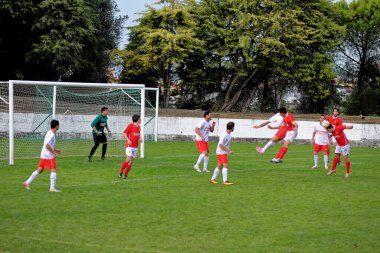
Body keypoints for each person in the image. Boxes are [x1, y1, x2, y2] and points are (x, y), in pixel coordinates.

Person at [22, 120, 62, 192]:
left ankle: (26, 182)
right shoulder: (51, 134)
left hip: (44, 155)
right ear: (56, 126)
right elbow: (47, 145)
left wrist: (56, 150)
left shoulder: (50, 133)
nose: (59, 126)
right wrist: (53, 153)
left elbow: (49, 145)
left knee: (39, 170)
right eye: (58, 125)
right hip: (48, 156)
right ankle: (52, 188)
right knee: (54, 170)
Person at [118, 114, 142, 179]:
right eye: (140, 118)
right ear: (137, 119)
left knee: (131, 161)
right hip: (129, 146)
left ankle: (125, 175)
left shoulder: (139, 127)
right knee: (129, 159)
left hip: (135, 146)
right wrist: (128, 140)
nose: (141, 120)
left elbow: (138, 135)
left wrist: (140, 138)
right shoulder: (130, 125)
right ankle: (120, 171)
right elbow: (124, 133)